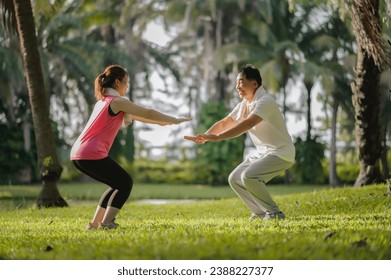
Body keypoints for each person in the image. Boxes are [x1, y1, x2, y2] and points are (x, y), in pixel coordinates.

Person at [71, 64, 191, 229]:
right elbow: (147, 112)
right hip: (91, 153)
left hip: (78, 153)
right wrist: (174, 119)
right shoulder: (118, 102)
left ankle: (95, 224)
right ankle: (106, 223)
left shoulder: (104, 101)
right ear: (118, 83)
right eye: (126, 82)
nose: (127, 86)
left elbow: (141, 116)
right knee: (125, 183)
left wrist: (163, 122)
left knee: (117, 184)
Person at [185, 64, 295, 220]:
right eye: (236, 83)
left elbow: (247, 124)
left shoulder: (265, 101)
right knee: (235, 178)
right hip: (264, 153)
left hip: (281, 152)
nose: (237, 87)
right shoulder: (245, 104)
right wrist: (207, 135)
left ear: (254, 83)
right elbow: (226, 121)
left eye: (241, 82)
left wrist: (218, 137)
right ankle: (260, 213)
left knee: (249, 176)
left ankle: (275, 213)